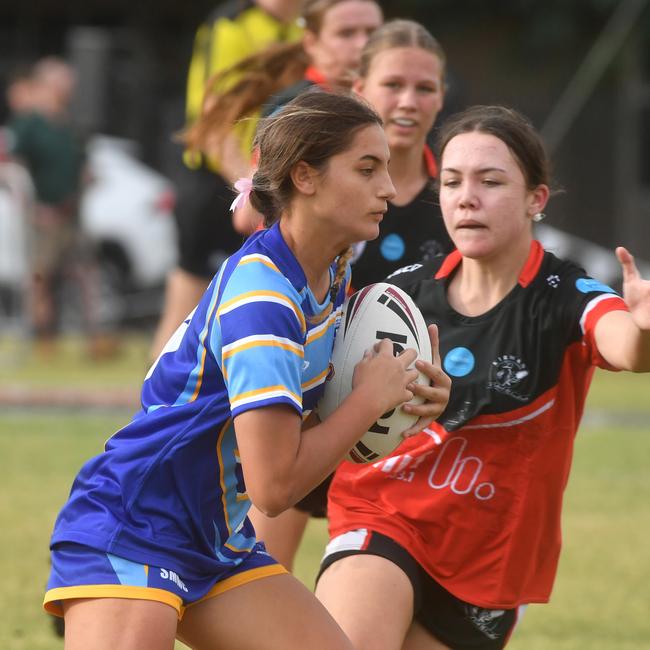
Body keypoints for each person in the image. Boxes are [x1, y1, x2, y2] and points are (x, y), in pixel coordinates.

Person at [43, 90, 450, 649]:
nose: (387, 186)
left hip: (213, 539)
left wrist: (407, 395)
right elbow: (275, 487)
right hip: (131, 528)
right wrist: (367, 403)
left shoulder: (329, 273)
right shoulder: (263, 301)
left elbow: (318, 411)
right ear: (304, 177)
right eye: (366, 168)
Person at [314, 104, 650, 650]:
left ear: (536, 199)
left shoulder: (561, 293)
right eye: (451, 181)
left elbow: (628, 348)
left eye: (490, 181)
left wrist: (643, 325)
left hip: (490, 558)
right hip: (384, 512)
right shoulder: (401, 295)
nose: (466, 196)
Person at [249, 19, 455, 571]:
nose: (409, 101)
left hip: (388, 434)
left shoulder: (458, 200)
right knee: (259, 572)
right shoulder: (317, 204)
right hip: (303, 411)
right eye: (394, 85)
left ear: (442, 98)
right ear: (358, 87)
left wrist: (430, 389)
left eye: (426, 88)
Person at [148, 0, 304, 362]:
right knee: (185, 316)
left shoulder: (302, 26)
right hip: (220, 186)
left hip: (269, 187)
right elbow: (215, 124)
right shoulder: (232, 24)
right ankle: (155, 414)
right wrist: (251, 188)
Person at [182, 0, 383, 239]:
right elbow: (215, 123)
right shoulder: (232, 25)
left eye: (373, 33)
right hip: (216, 179)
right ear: (311, 42)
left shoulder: (381, 101)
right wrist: (253, 183)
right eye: (346, 33)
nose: (362, 44)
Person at [2, 58, 105, 358]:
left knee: (85, 275)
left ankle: (93, 339)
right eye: (62, 81)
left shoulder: (68, 123)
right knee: (41, 278)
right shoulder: (30, 124)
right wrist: (30, 203)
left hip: (72, 214)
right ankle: (42, 340)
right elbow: (13, 163)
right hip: (43, 216)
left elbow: (81, 162)